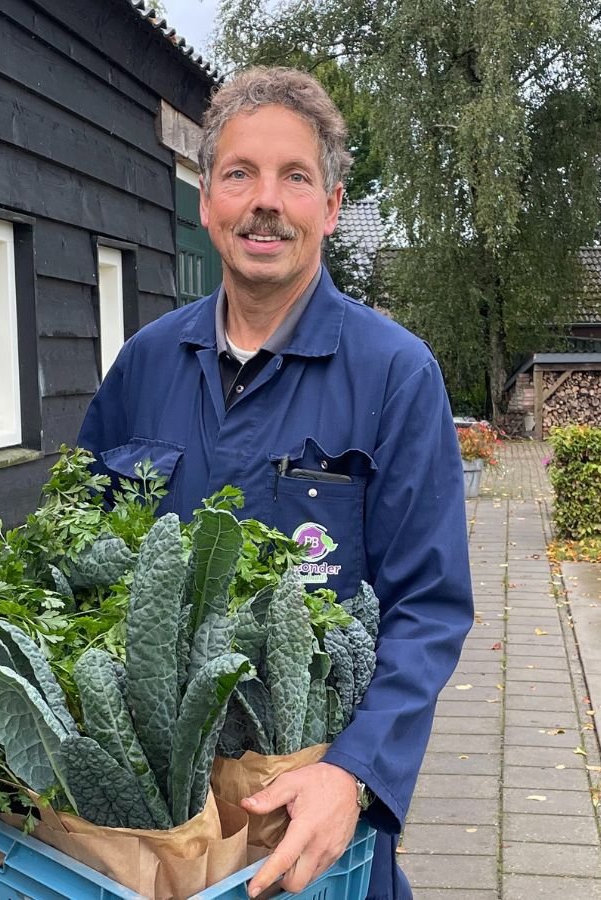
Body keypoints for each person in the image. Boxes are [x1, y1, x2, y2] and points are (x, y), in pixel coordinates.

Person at [76, 67, 473, 900]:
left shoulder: (395, 374)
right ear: (206, 200)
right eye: (239, 174)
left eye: (295, 177)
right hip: (151, 823)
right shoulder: (144, 365)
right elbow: (77, 559)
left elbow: (429, 609)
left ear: (329, 206)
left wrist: (353, 774)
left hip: (308, 821)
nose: (266, 201)